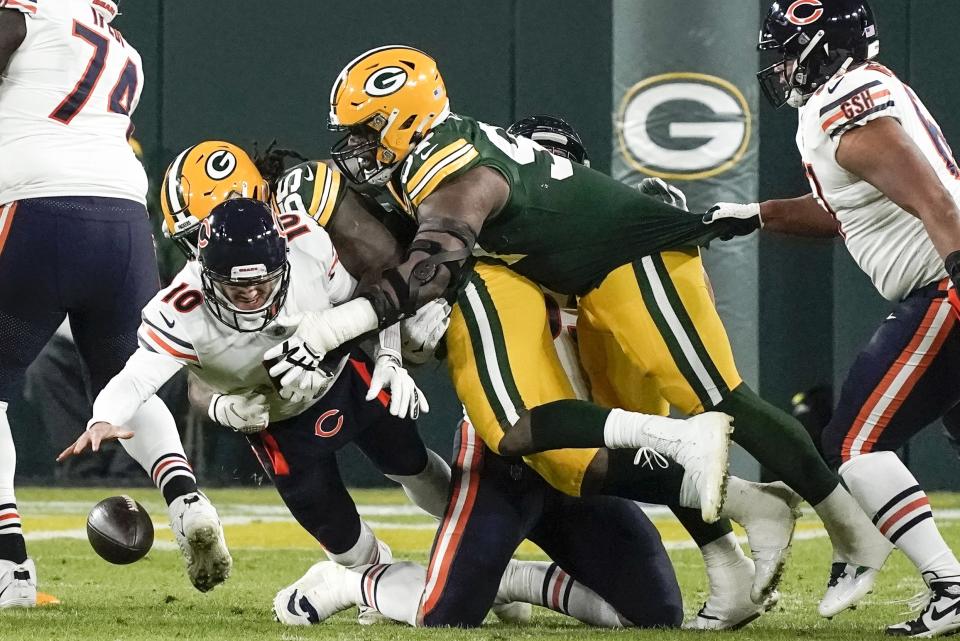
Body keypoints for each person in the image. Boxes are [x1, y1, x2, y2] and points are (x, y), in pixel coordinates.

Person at [268, 44, 891, 616]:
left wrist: (330, 330)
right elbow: (418, 270)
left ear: (406, 118)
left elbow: (432, 267)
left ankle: (853, 534)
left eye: (366, 129)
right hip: (586, 300)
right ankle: (746, 538)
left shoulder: (453, 166)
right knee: (581, 429)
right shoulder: (418, 172)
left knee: (718, 400)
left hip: (626, 259)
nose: (354, 145)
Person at [60, 198, 452, 625]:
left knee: (414, 464)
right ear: (207, 277)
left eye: (261, 284)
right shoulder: (182, 310)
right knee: (344, 544)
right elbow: (135, 378)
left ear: (282, 263)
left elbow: (369, 301)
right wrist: (103, 416)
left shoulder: (306, 250)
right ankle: (376, 582)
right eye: (235, 287)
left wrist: (389, 356)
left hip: (345, 380)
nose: (249, 295)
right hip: (278, 425)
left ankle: (467, 542)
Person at [705, 1, 960, 634]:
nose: (780, 64)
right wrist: (758, 214)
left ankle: (951, 587)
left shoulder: (843, 102)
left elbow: (930, 198)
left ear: (825, 44)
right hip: (939, 281)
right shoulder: (855, 96)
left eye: (788, 48)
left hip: (943, 286)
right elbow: (850, 212)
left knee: (854, 443)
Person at [0, 0, 228, 606]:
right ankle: (185, 499)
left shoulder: (31, 17)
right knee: (125, 383)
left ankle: (8, 565)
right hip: (125, 220)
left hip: (38, 206)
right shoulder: (123, 48)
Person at [275, 417, 683, 629]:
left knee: (654, 614)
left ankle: (507, 579)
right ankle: (349, 581)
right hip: (505, 459)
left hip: (583, 463)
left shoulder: (632, 273)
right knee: (445, 614)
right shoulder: (506, 272)